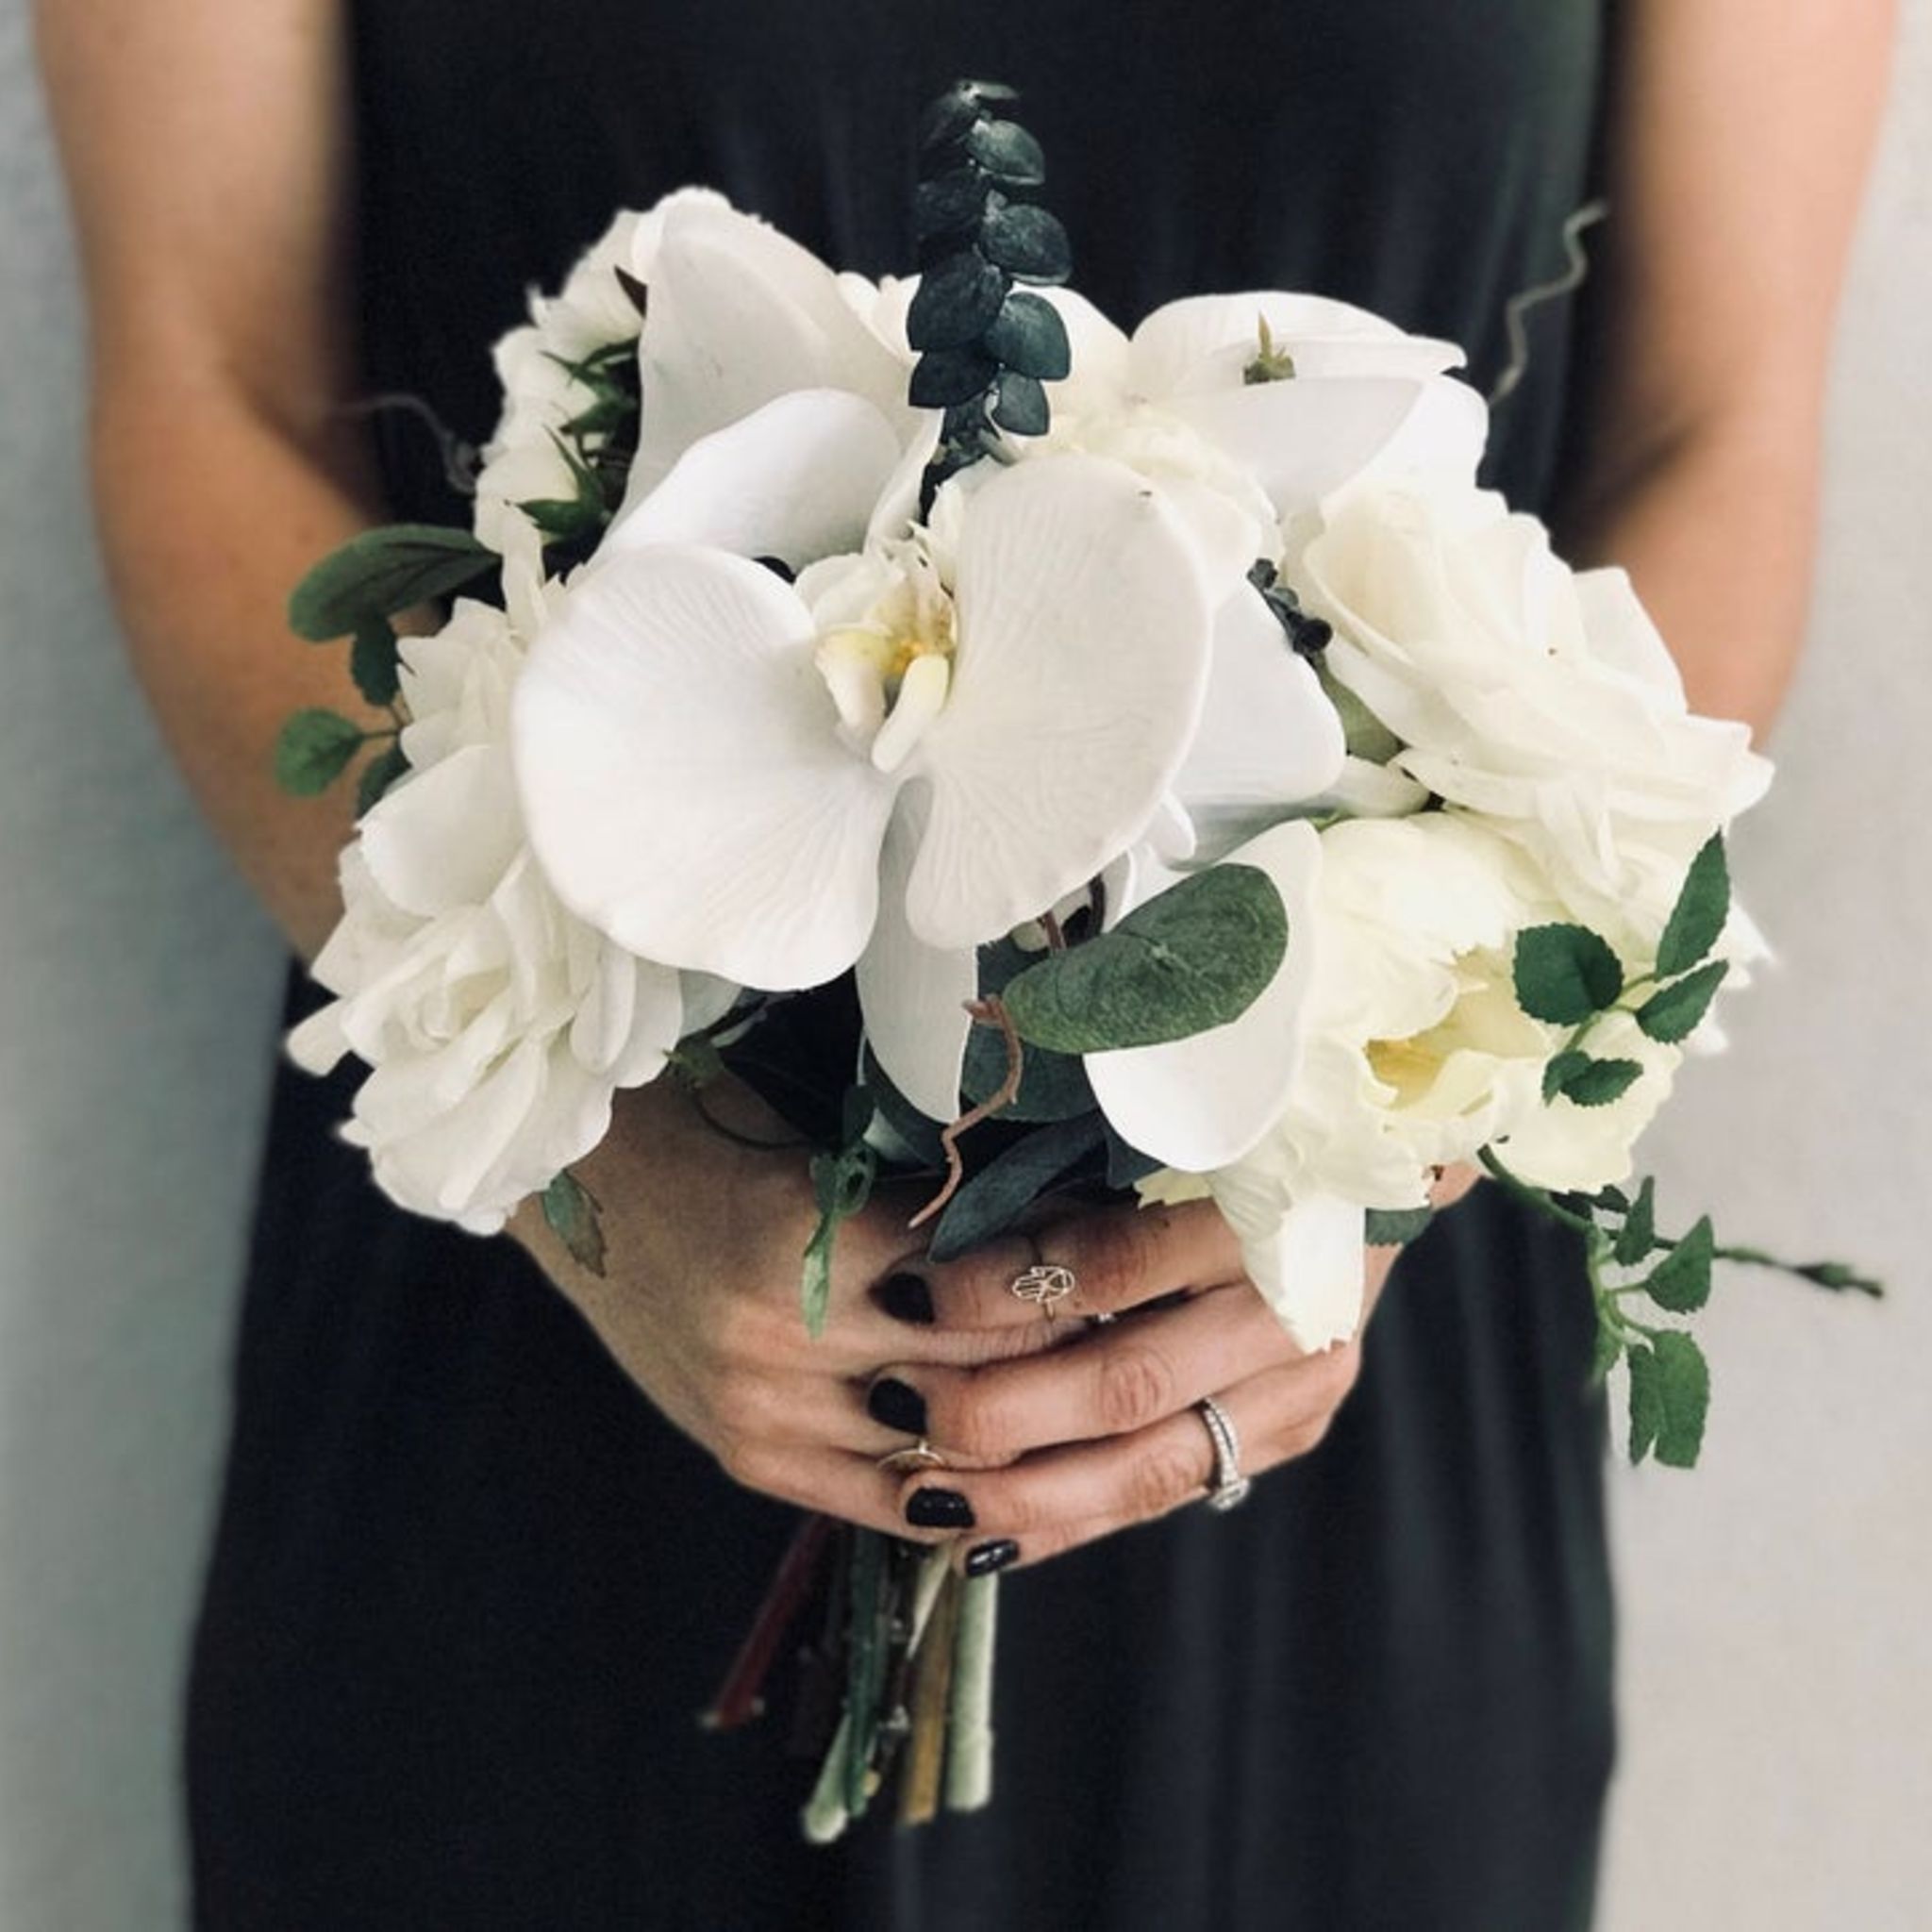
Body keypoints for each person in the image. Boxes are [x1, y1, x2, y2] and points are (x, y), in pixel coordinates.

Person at [37, 2, 1891, 1925]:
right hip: (550, 1359)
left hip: (1319, 1388)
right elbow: (209, 383)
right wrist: (582, 1171)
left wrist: (1378, 1110)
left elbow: (1715, 423)